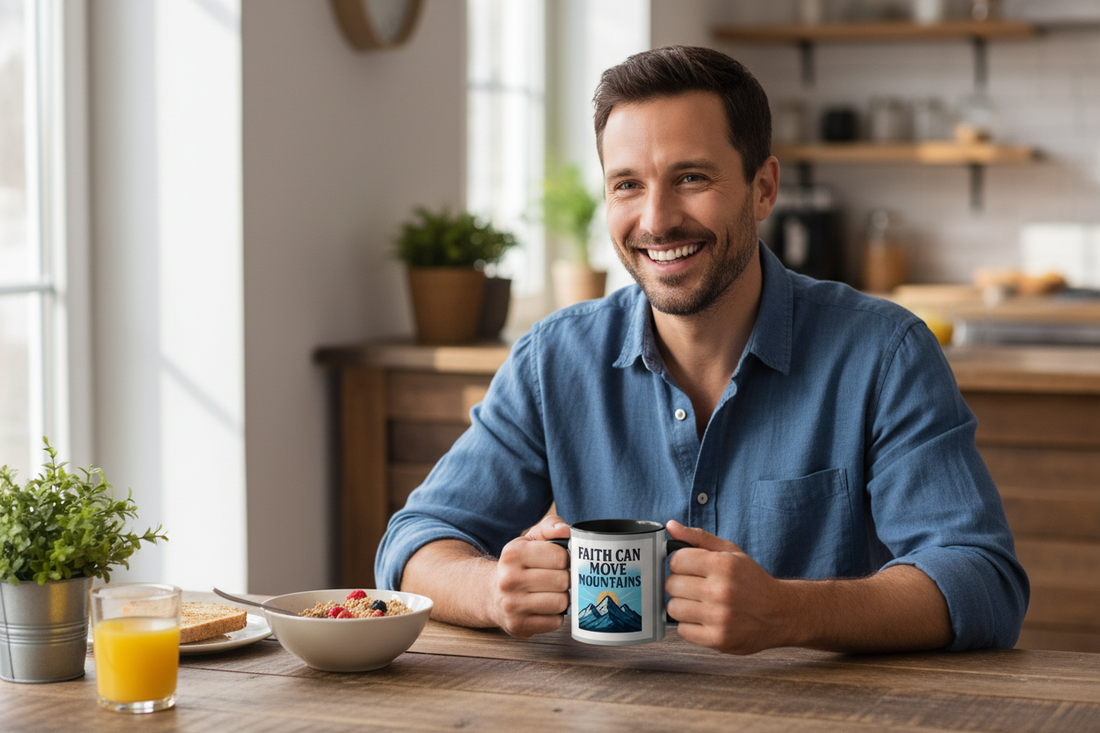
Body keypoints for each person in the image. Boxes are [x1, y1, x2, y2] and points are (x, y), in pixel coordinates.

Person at [375, 45, 1028, 654]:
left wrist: (790, 610)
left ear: (764, 188)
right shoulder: (553, 359)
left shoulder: (886, 354)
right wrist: (491, 590)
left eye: (690, 177)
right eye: (627, 184)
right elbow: (412, 544)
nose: (656, 220)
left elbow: (981, 578)